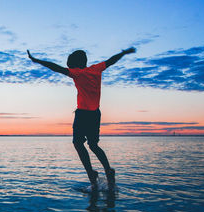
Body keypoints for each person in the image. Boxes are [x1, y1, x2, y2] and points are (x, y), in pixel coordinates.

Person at [27, 47, 136, 190]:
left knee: (78, 143)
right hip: (95, 113)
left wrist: (36, 60)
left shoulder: (77, 73)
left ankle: (91, 175)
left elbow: (55, 68)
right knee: (93, 145)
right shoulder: (96, 69)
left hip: (83, 114)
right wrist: (123, 53)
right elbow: (111, 61)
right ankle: (108, 170)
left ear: (75, 64)